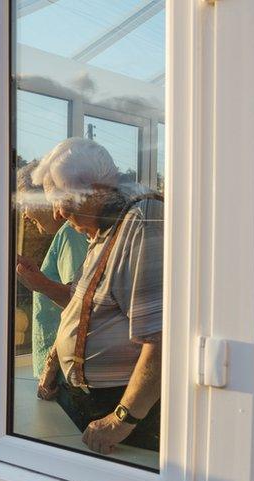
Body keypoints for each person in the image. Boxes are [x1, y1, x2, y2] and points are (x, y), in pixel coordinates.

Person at [28, 138, 164, 455]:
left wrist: (122, 419)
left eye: (60, 200)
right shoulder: (104, 230)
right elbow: (82, 305)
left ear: (93, 188)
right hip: (87, 399)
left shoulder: (143, 222)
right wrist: (53, 364)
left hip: (120, 406)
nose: (58, 214)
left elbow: (163, 338)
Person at [14, 162, 88, 378]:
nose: (25, 214)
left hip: (60, 376)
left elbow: (79, 306)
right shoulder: (64, 235)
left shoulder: (70, 234)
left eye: (26, 203)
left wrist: (51, 366)